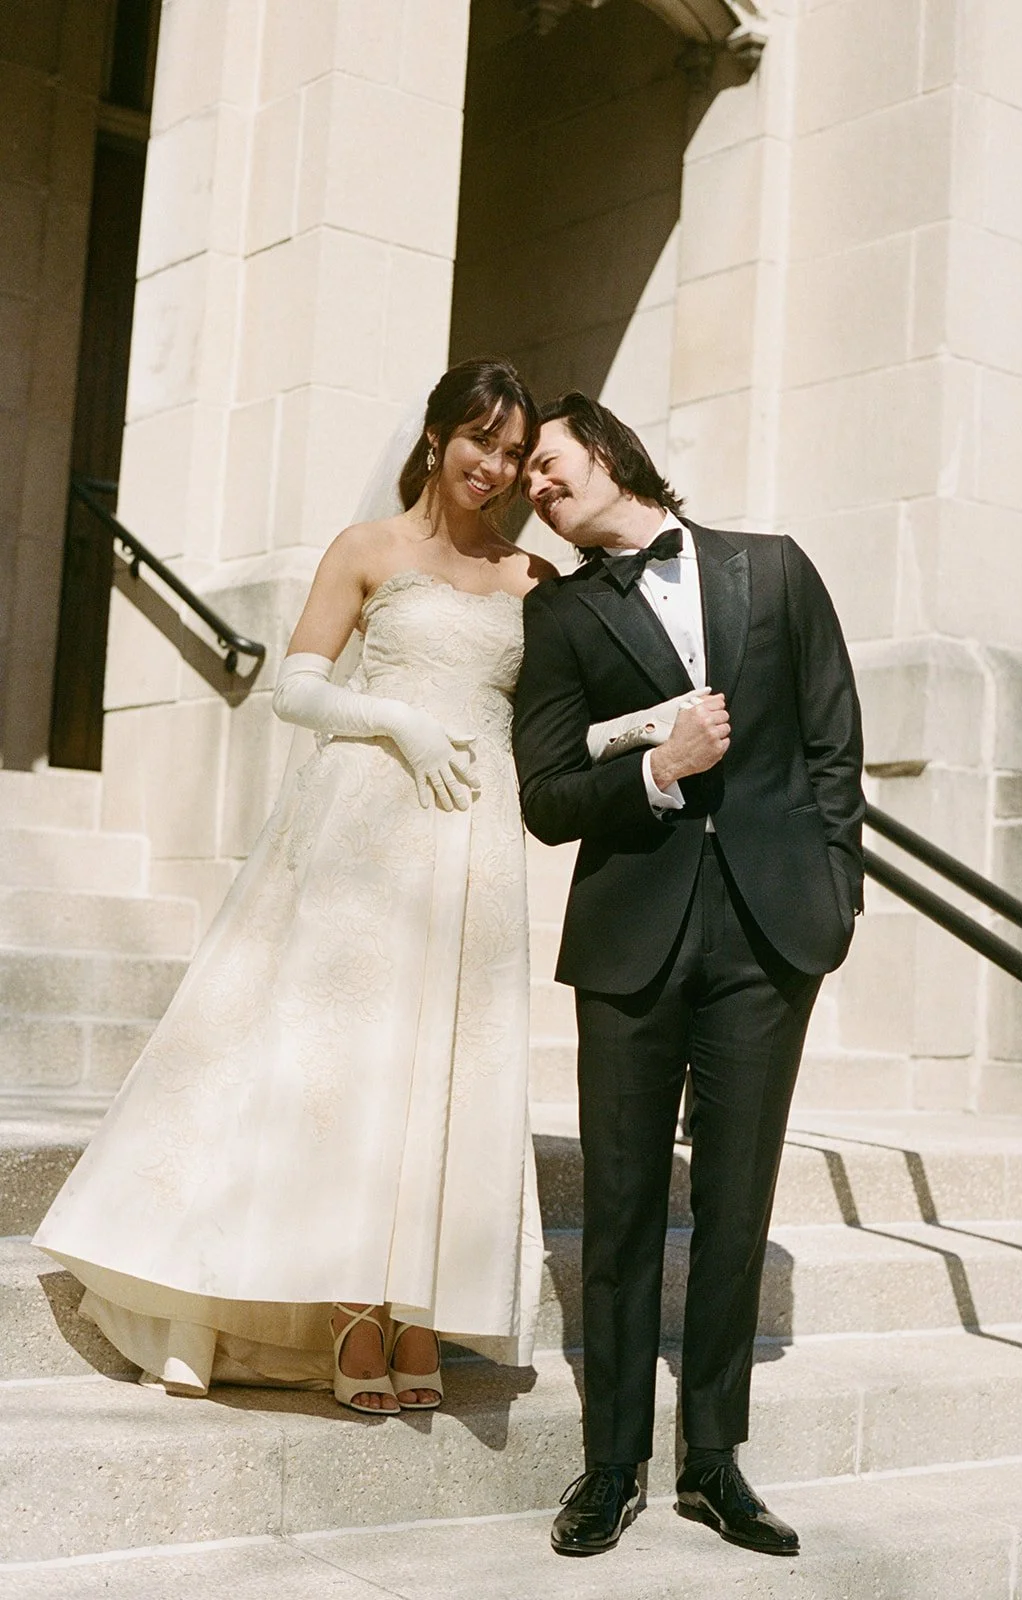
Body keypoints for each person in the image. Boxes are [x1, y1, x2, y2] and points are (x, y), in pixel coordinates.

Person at [35, 358, 553, 1415]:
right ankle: (351, 1305)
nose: (493, 468)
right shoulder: (367, 551)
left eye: (511, 451)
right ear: (433, 436)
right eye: (478, 441)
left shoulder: (529, 578)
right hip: (368, 821)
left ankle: (420, 1308)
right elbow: (297, 688)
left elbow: (557, 715)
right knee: (350, 1063)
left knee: (450, 1065)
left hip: (476, 843)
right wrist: (396, 718)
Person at [513, 393, 864, 1557]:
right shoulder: (559, 617)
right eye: (524, 477)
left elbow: (830, 742)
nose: (533, 485)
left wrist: (833, 897)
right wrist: (656, 769)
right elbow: (547, 795)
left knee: (733, 1205)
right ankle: (610, 1465)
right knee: (617, 1209)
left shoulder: (772, 569)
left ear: (607, 453)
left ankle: (712, 1463)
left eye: (548, 463)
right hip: (628, 942)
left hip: (770, 940)